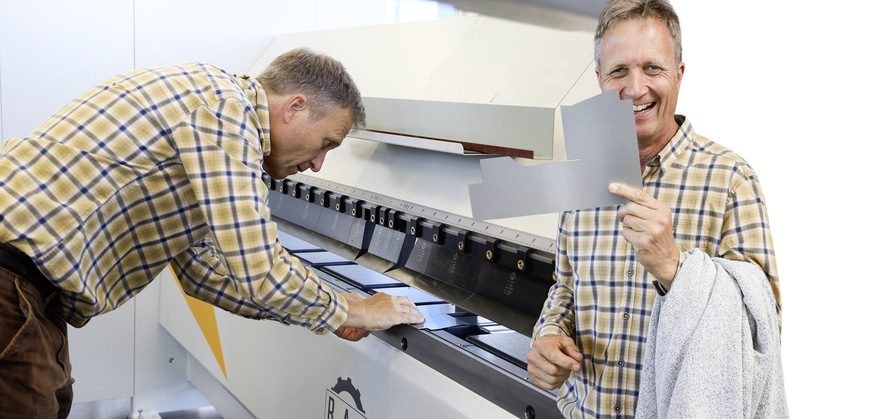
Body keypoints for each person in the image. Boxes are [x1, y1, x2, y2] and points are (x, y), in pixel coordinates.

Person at [0, 47, 425, 418]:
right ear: (295, 107)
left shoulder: (211, 106)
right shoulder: (225, 111)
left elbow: (202, 272)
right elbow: (260, 270)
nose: (318, 164)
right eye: (327, 143)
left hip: (30, 294)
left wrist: (332, 307)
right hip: (12, 285)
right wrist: (349, 312)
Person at [526, 0, 782, 417]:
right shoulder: (583, 177)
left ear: (679, 74)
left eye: (652, 68)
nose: (635, 88)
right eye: (618, 71)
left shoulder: (731, 180)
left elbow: (762, 330)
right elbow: (566, 287)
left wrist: (674, 268)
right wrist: (549, 334)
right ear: (599, 79)